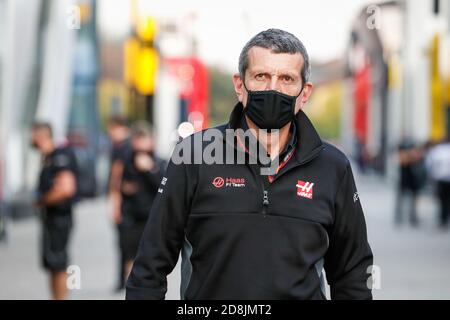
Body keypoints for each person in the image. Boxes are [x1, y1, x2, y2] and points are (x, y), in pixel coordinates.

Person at [126, 29, 373, 300]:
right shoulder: (193, 156)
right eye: (261, 76)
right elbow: (150, 268)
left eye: (287, 79)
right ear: (239, 85)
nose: (273, 89)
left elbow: (352, 275)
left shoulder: (332, 167)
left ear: (305, 93)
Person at [31, 122, 78, 300]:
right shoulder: (49, 156)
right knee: (52, 263)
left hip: (59, 218)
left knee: (58, 263)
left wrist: (41, 201)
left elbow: (66, 188)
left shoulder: (59, 156)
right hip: (52, 219)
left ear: (41, 135)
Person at [119, 122, 166, 281]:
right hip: (131, 217)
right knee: (130, 257)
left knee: (150, 260)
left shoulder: (159, 162)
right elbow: (120, 184)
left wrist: (150, 169)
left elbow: (165, 187)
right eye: (137, 140)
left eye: (144, 139)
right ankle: (130, 288)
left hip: (152, 218)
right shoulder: (128, 161)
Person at [107, 116, 132, 291]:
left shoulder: (122, 148)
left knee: (125, 244)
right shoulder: (130, 145)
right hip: (134, 202)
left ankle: (123, 279)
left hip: (127, 204)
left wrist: (114, 202)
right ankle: (123, 279)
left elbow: (116, 176)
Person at [395, 138, 426, 227]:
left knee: (413, 201)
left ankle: (413, 218)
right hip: (404, 180)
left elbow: (419, 157)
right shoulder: (403, 154)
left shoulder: (416, 154)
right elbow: (402, 161)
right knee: (400, 200)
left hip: (413, 180)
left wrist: (413, 156)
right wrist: (410, 156)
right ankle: (399, 217)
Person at [425, 136, 450, 229]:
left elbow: (429, 165)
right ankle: (446, 218)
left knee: (442, 200)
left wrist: (432, 176)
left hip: (440, 179)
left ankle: (443, 219)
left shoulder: (436, 151)